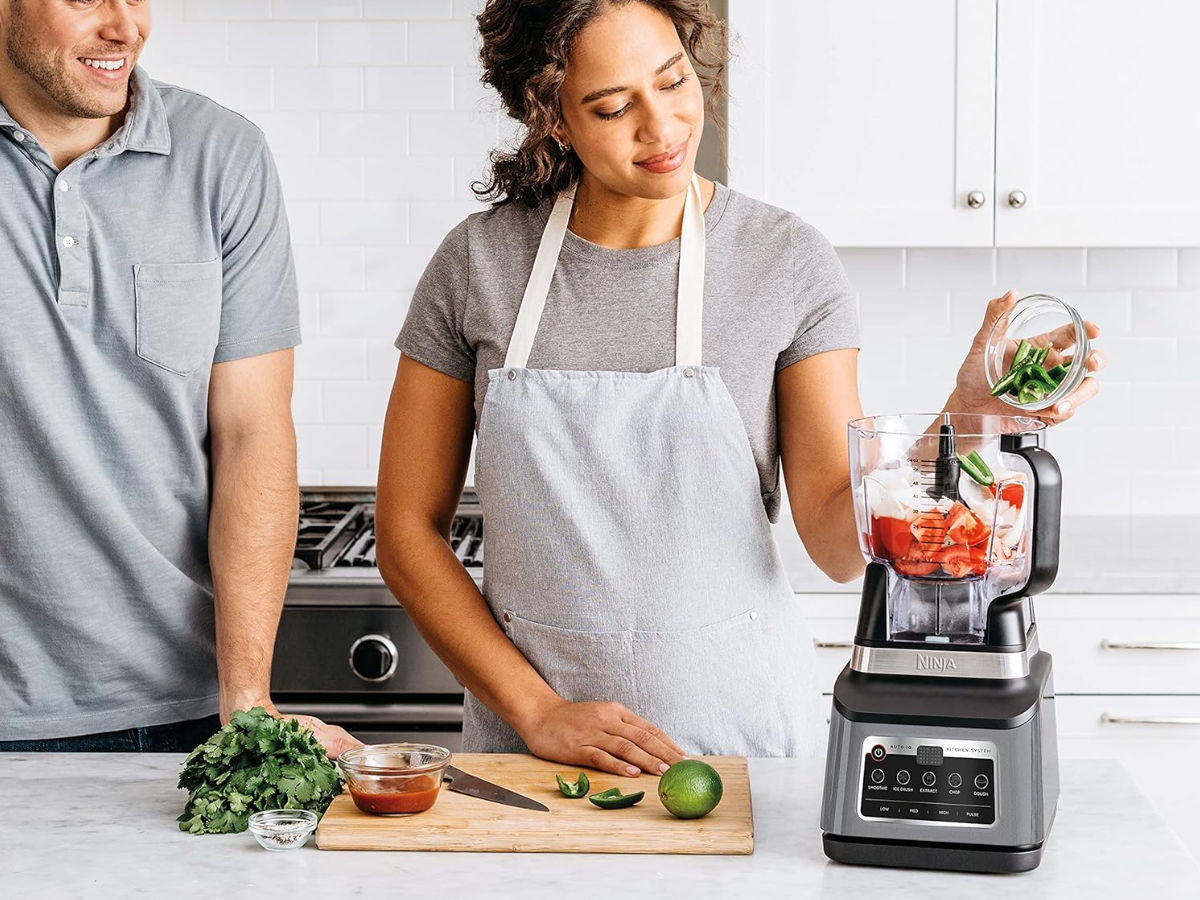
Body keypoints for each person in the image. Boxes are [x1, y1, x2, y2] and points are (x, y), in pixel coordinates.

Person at [374, 0, 1104, 776]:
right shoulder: (477, 266)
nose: (663, 129)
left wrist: (967, 413)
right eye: (614, 106)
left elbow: (836, 543)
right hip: (527, 761)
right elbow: (407, 530)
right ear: (549, 114)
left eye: (673, 81)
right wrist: (538, 710)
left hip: (742, 757)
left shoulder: (784, 261)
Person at [0, 0, 357, 757]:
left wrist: (249, 699)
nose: (125, 25)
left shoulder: (221, 155)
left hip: (183, 711)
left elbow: (251, 432)